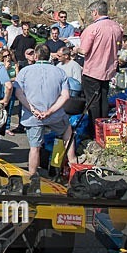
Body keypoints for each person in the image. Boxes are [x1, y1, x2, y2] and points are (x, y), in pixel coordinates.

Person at [15, 44, 75, 177]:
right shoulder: (60, 72)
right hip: (55, 115)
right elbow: (65, 96)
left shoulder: (25, 71)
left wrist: (32, 109)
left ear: (35, 56)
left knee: (34, 148)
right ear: (49, 56)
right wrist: (50, 112)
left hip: (33, 116)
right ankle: (72, 163)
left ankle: (32, 175)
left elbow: (19, 94)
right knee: (67, 132)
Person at [75, 0, 122, 124]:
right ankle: (105, 125)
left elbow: (84, 50)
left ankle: (95, 130)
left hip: (93, 70)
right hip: (108, 70)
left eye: (92, 13)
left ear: (95, 12)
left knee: (93, 102)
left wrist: (75, 49)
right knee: (104, 100)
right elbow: (119, 47)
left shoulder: (93, 28)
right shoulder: (117, 27)